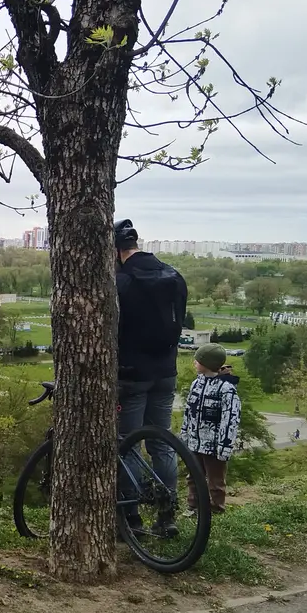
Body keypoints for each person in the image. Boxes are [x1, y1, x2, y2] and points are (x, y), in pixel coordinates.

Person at [114, 219, 188, 537]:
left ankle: (131, 519)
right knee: (162, 443)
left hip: (132, 374)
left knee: (128, 445)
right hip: (166, 371)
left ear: (116, 250)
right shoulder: (173, 275)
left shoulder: (121, 281)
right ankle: (167, 515)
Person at [180, 343, 241, 514]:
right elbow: (188, 410)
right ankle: (193, 505)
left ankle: (216, 508)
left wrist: (225, 446)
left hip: (214, 446)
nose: (194, 362)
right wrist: (184, 433)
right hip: (194, 442)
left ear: (207, 363)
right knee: (193, 475)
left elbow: (230, 419)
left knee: (215, 480)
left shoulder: (226, 389)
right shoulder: (196, 384)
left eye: (197, 360)